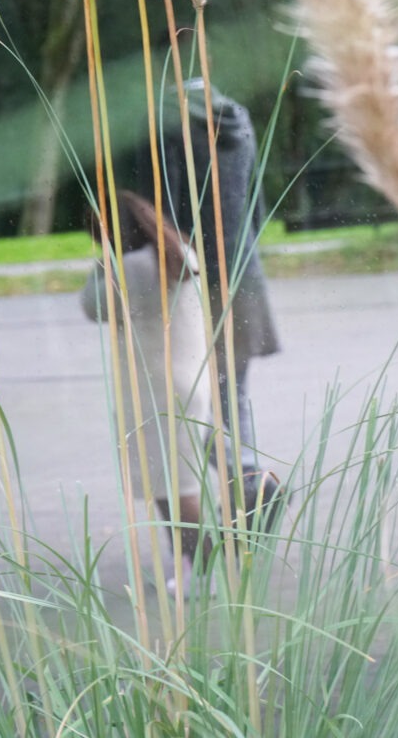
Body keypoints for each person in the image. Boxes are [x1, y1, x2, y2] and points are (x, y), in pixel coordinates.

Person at [133, 77, 286, 530]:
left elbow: (167, 217)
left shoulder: (165, 120)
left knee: (192, 408)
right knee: (230, 399)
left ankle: (252, 483)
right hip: (244, 272)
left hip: (196, 282)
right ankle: (251, 485)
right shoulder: (235, 114)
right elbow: (256, 202)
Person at [81, 190, 213, 587]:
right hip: (186, 381)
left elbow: (93, 306)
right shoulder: (176, 254)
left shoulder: (132, 267)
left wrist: (101, 263)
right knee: (176, 481)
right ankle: (196, 565)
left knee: (173, 487)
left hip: (157, 388)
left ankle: (204, 567)